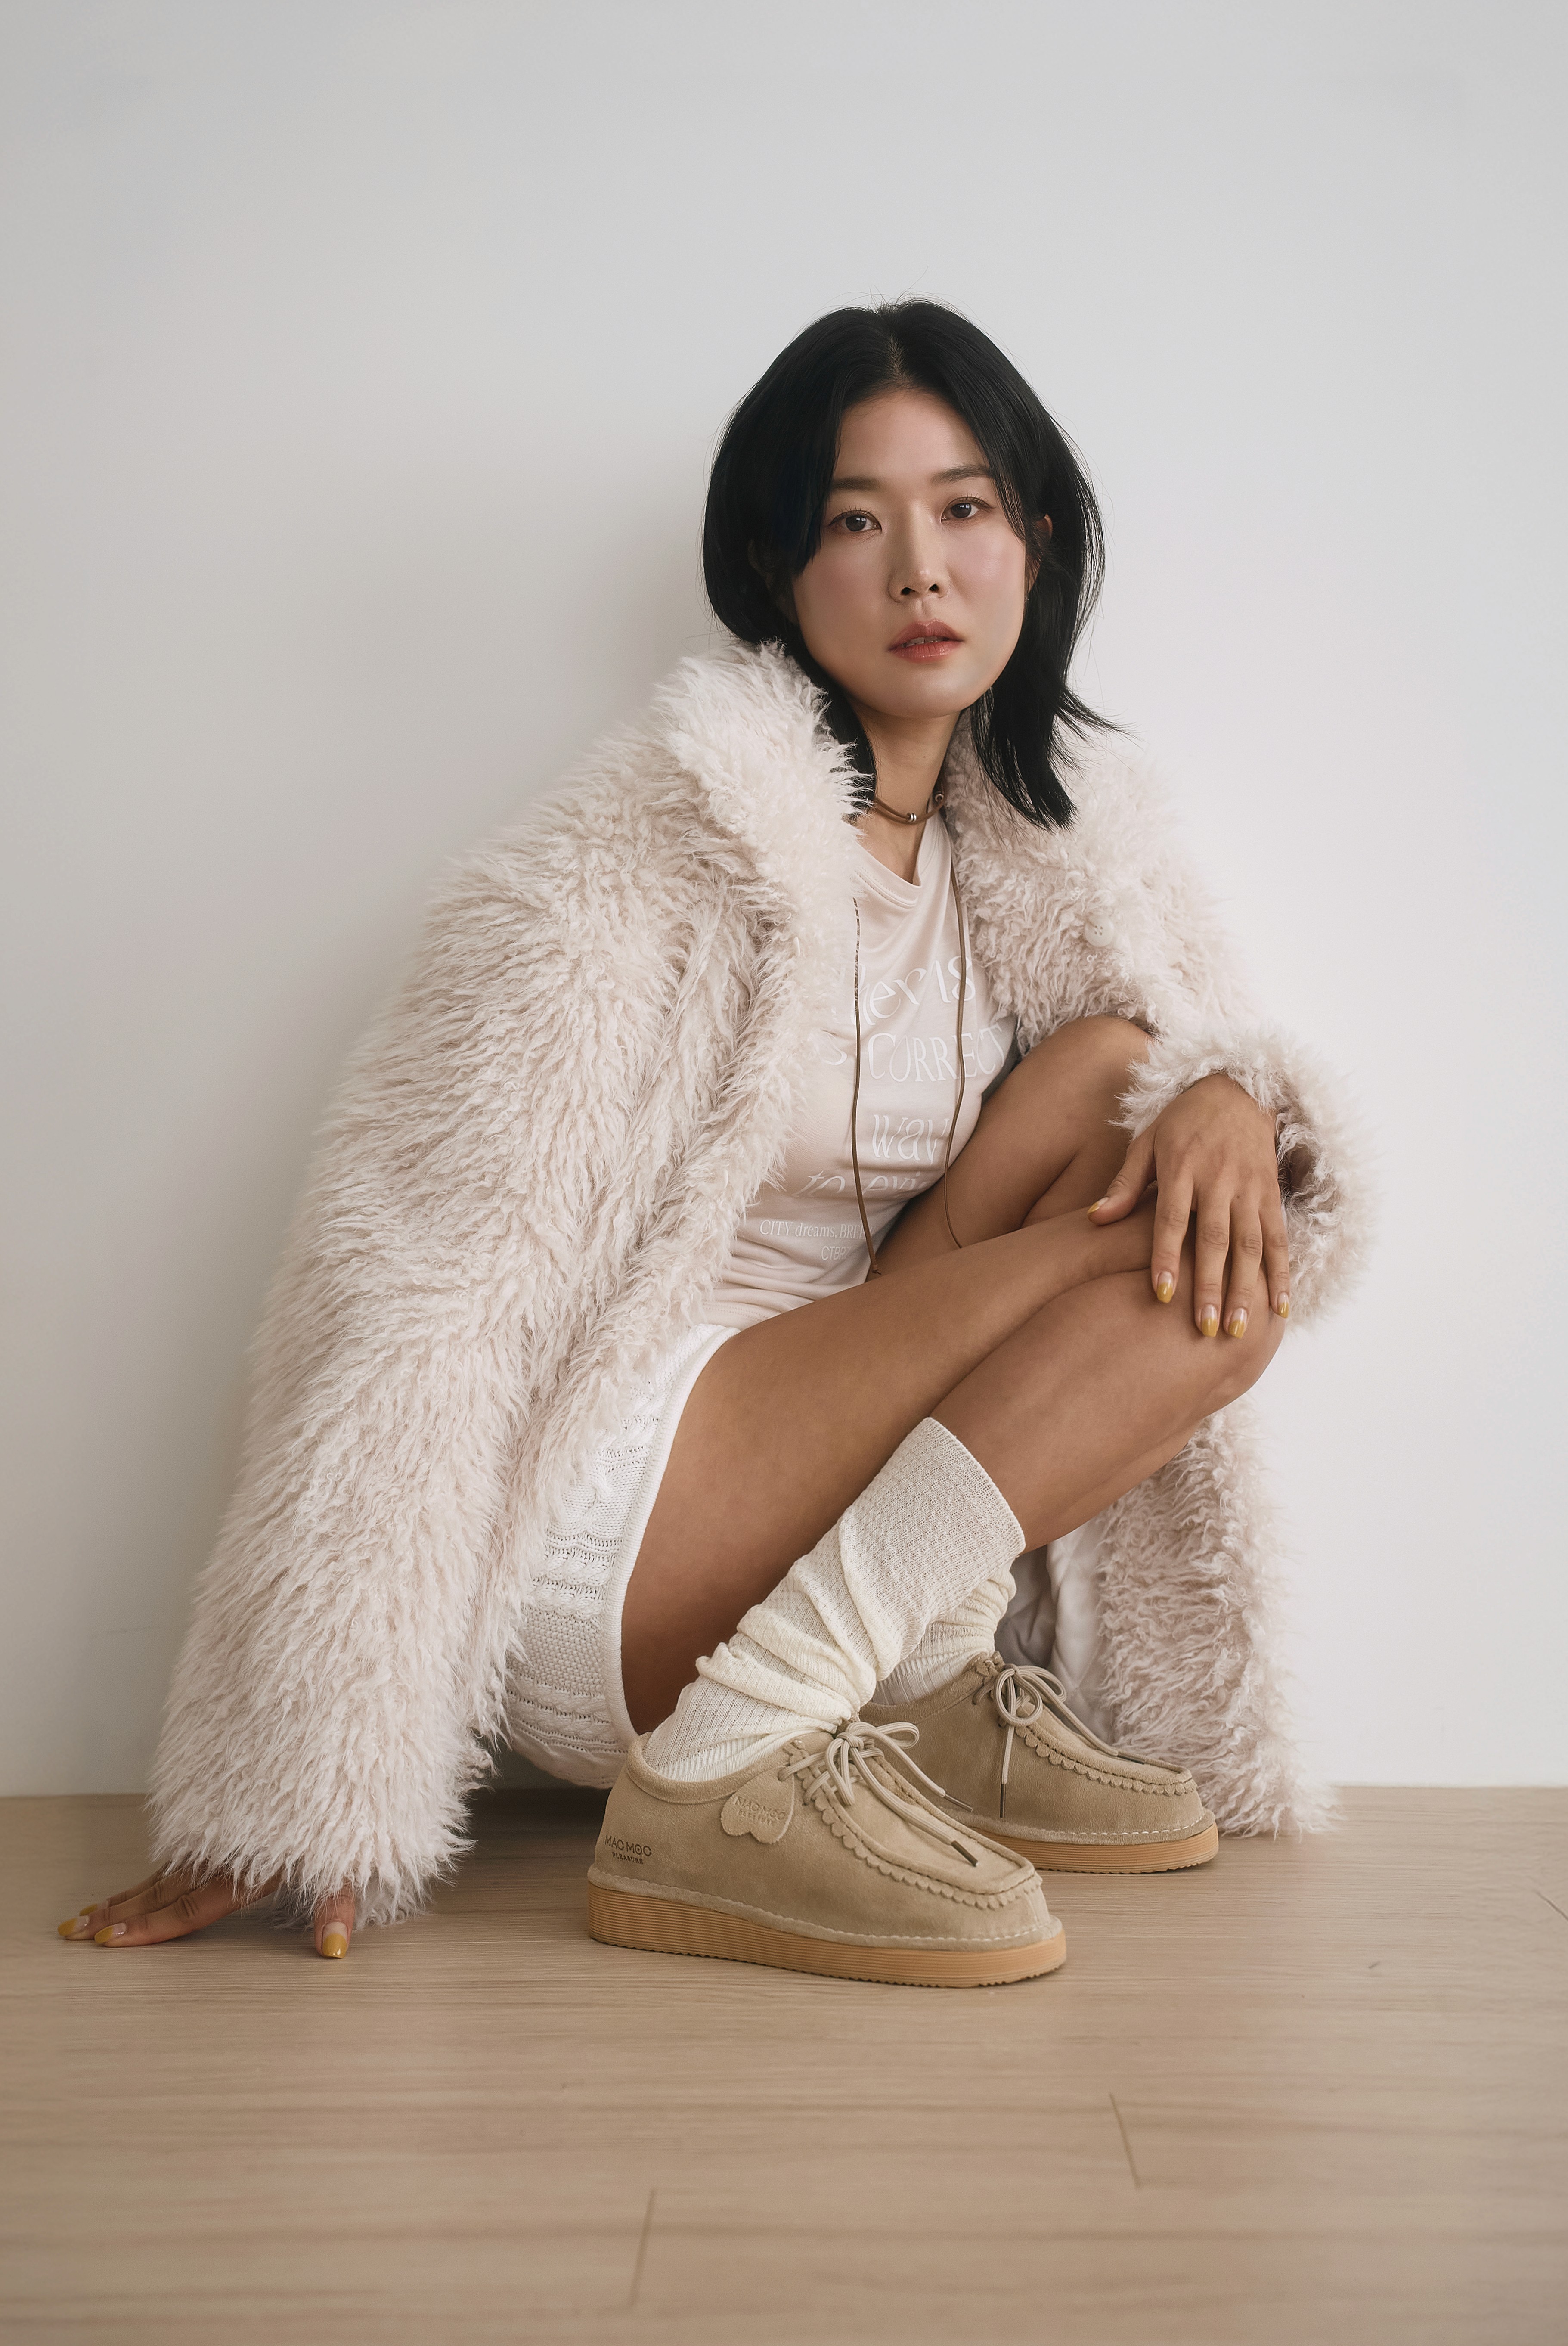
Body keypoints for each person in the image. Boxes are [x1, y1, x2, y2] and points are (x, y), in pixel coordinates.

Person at [60, 301, 1366, 1983]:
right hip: (615, 1528)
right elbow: (408, 1292)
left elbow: (1174, 1088)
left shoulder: (1053, 864)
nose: (918, 570)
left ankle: (918, 1678)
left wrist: (1229, 1091)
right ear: (773, 564)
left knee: (1133, 1088)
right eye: (853, 520)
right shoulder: (642, 857)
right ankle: (726, 1758)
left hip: (812, 1471)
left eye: (964, 509)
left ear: (1036, 542)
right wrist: (299, 1774)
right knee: (1183, 1277)